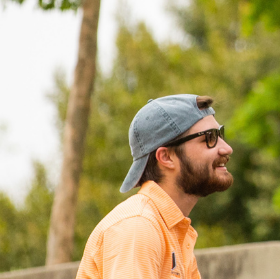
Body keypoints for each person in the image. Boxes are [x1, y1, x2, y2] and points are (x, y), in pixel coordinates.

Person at [75, 94, 236, 279]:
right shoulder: (138, 226)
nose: (226, 148)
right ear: (166, 157)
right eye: (209, 138)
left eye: (220, 134)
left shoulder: (174, 231)